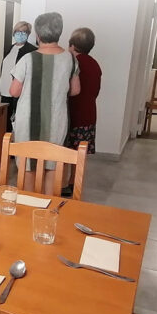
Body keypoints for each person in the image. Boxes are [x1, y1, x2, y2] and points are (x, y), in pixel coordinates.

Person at [9, 12, 80, 194]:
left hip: (29, 122)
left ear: (38, 35)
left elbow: (14, 92)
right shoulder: (70, 59)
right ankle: (49, 205)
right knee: (52, 164)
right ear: (59, 33)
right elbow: (75, 90)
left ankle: (28, 202)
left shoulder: (27, 59)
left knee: (28, 164)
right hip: (56, 120)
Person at [63, 27, 101, 197]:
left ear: (71, 44)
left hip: (72, 114)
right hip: (89, 114)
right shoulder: (94, 64)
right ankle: (74, 183)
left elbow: (66, 89)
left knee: (65, 151)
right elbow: (96, 91)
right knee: (80, 152)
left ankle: (62, 183)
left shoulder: (72, 63)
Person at [0, 21, 37, 132]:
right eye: (18, 32)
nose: (20, 34)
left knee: (18, 121)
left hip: (19, 90)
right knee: (5, 121)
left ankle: (17, 141)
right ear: (14, 33)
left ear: (28, 34)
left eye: (24, 32)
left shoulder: (32, 50)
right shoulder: (9, 48)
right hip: (5, 90)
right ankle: (5, 140)